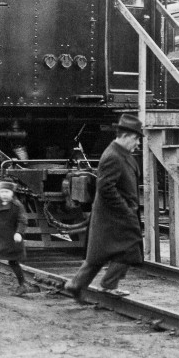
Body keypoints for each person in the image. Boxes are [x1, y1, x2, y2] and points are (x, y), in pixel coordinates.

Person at [64, 113, 144, 301]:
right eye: (136, 139)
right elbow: (105, 188)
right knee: (130, 248)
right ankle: (107, 285)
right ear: (125, 136)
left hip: (112, 215)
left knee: (99, 254)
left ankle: (75, 284)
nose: (137, 144)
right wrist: (125, 209)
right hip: (114, 214)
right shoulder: (113, 156)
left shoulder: (121, 154)